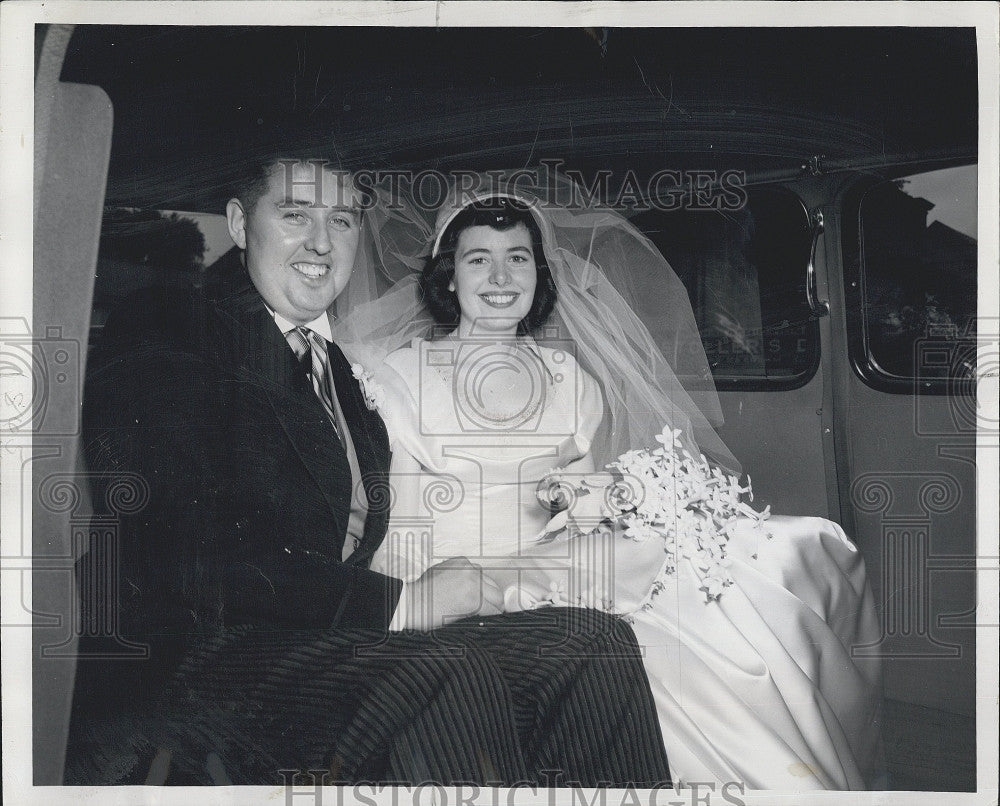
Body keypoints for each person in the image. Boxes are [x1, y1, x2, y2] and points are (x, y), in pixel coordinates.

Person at [64, 156, 673, 786]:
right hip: (194, 658)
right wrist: (401, 604)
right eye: (295, 215)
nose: (321, 244)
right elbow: (184, 554)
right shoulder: (174, 324)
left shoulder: (340, 371)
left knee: (592, 646)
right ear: (241, 225)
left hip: (318, 639)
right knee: (439, 672)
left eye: (342, 221)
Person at [336, 170, 886, 790]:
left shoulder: (569, 378)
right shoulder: (395, 379)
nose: (498, 279)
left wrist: (611, 496)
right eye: (478, 260)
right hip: (458, 575)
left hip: (558, 562)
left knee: (749, 583)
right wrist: (426, 608)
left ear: (541, 275)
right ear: (448, 275)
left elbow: (585, 496)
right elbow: (394, 520)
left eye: (518, 258)